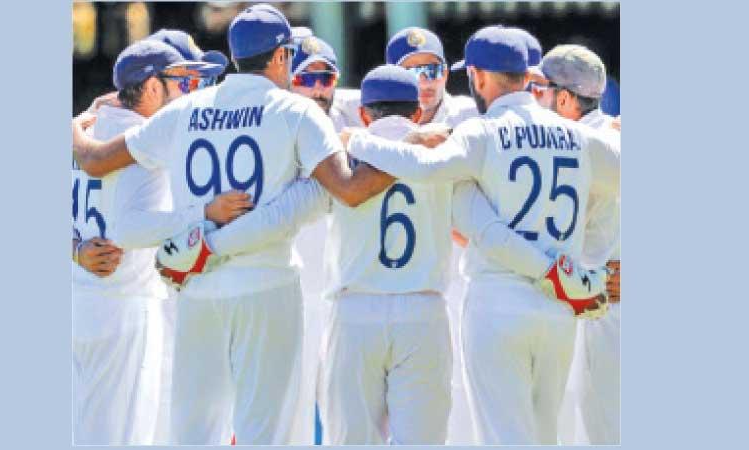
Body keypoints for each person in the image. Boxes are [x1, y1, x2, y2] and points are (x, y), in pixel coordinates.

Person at [70, 3, 396, 444]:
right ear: (281, 57)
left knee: (195, 433)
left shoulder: (183, 111)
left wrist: (76, 124)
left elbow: (93, 159)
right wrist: (412, 154)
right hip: (267, 285)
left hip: (199, 287)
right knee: (267, 431)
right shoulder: (297, 111)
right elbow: (350, 189)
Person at [342, 26, 620, 444]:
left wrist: (362, 142)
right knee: (546, 436)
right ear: (528, 78)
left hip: (499, 302)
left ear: (478, 76)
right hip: (559, 309)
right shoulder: (579, 134)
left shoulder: (483, 130)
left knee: (503, 437)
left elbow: (424, 167)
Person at [71, 39, 226, 445]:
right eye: (180, 82)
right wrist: (204, 214)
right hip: (122, 307)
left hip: (76, 297)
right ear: (153, 88)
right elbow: (130, 228)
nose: (187, 92)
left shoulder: (83, 127)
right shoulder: (145, 139)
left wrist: (73, 249)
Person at [534, 44, 621, 445]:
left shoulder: (575, 146)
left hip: (600, 306)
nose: (534, 99)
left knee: (600, 433)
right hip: (601, 298)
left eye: (540, 90)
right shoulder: (613, 134)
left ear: (565, 99)